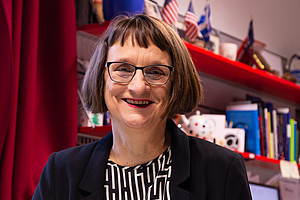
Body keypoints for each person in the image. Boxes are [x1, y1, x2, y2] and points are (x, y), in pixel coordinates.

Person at [32, 14, 252, 200]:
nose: (138, 87)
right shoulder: (60, 172)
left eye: (156, 72)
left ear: (177, 83)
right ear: (102, 78)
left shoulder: (222, 170)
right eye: (123, 69)